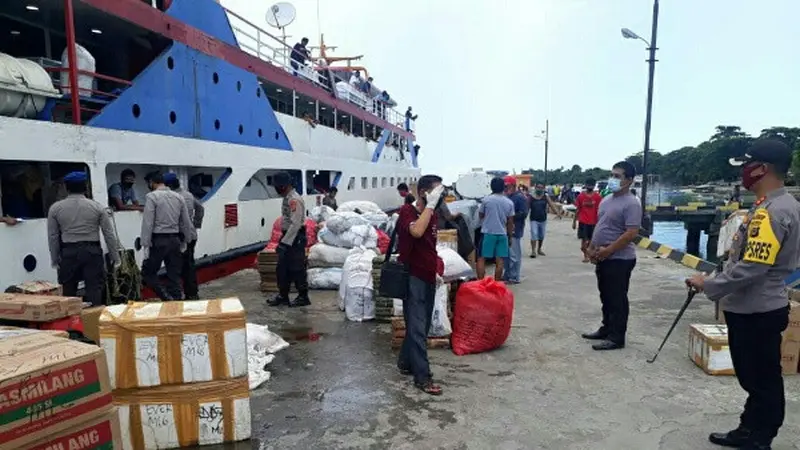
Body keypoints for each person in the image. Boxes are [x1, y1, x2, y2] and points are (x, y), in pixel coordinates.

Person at [686, 140, 800, 450]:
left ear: (762, 168)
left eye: (747, 166)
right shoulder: (773, 204)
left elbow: (752, 267)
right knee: (755, 377)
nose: (743, 174)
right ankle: (750, 428)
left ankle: (760, 437)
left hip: (757, 310)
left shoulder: (774, 211)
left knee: (761, 379)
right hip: (755, 307)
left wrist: (708, 284)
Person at [582, 161, 642, 351]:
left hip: (620, 259)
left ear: (629, 181)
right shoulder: (607, 199)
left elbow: (631, 233)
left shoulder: (632, 203)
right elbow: (601, 226)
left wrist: (609, 250)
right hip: (603, 256)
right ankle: (606, 328)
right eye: (612, 175)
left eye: (618, 176)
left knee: (617, 298)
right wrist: (591, 248)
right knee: (605, 295)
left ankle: (617, 337)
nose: (613, 179)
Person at [396, 174, 446, 396]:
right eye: (436, 192)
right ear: (424, 192)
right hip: (412, 276)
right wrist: (430, 204)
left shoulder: (432, 215)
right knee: (417, 327)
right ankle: (422, 377)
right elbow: (416, 232)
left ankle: (405, 362)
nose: (440, 197)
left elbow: (429, 246)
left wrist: (435, 270)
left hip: (427, 275)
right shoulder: (407, 212)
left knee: (421, 326)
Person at [47, 171, 119, 306]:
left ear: (66, 188)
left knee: (68, 291)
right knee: (94, 289)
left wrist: (55, 259)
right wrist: (115, 257)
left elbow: (53, 236)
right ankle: (94, 320)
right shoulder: (97, 207)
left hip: (68, 252)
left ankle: (71, 323)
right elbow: (109, 234)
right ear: (86, 187)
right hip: (92, 251)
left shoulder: (55, 208)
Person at [140, 171, 193, 301]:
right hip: (175, 240)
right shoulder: (178, 197)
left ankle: (166, 297)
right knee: (174, 275)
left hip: (159, 240)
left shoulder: (152, 197)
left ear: (152, 182)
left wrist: (145, 245)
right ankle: (177, 302)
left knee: (148, 274)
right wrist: (186, 240)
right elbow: (185, 221)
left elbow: (148, 223)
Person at [267, 172, 310, 307]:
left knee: (297, 268)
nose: (276, 189)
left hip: (295, 237)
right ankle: (283, 295)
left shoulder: (294, 200)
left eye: (277, 186)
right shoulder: (287, 198)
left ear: (284, 186)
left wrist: (285, 243)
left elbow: (296, 224)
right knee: (282, 268)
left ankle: (303, 296)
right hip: (288, 236)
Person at [164, 173, 205, 300]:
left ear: (169, 185)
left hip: (181, 235)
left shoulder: (172, 197)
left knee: (178, 266)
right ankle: (192, 292)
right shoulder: (188, 194)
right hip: (192, 234)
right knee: (189, 264)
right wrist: (196, 224)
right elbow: (200, 209)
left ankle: (182, 294)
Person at [476, 177, 514, 281]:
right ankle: (496, 283)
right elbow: (510, 222)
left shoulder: (486, 200)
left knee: (481, 258)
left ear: (491, 187)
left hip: (488, 233)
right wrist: (509, 236)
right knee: (500, 260)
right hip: (502, 234)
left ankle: (481, 283)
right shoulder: (509, 202)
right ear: (503, 187)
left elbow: (481, 215)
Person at [503, 176, 528, 284]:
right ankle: (508, 275)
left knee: (514, 255)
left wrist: (510, 217)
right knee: (507, 255)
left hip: (515, 229)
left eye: (506, 186)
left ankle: (514, 277)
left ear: (513, 186)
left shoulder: (520, 197)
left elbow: (524, 213)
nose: (505, 189)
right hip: (507, 229)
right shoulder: (507, 197)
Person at [528, 182, 561, 258]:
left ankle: (539, 249)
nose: (539, 189)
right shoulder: (531, 197)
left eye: (541, 187)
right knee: (534, 234)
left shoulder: (545, 196)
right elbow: (527, 207)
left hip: (543, 219)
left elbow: (551, 205)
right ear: (535, 188)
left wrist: (557, 213)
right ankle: (533, 251)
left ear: (543, 188)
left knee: (541, 235)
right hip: (534, 219)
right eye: (538, 187)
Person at [573, 178, 602, 263]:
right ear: (585, 185)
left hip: (593, 222)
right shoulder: (581, 196)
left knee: (591, 241)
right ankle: (586, 255)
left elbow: (600, 210)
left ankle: (589, 255)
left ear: (594, 186)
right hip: (583, 222)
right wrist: (574, 221)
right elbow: (578, 209)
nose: (590, 187)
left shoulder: (597, 197)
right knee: (583, 242)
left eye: (591, 185)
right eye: (588, 185)